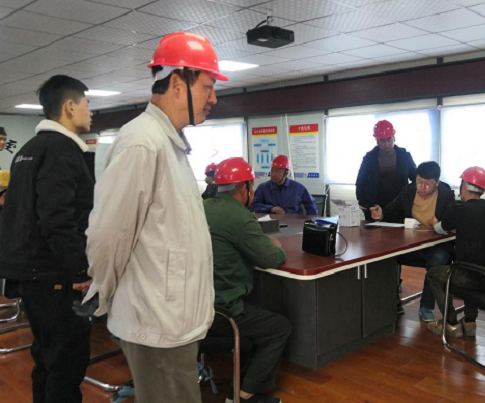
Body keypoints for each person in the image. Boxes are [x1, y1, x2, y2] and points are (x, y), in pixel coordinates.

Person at [79, 32, 227, 403]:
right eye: (208, 87)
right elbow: (108, 235)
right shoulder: (142, 143)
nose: (214, 98)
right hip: (157, 324)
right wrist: (104, 294)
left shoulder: (168, 144)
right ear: (177, 84)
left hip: (171, 321)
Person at [0, 75, 94, 403]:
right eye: (87, 104)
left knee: (46, 358)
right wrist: (80, 270)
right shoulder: (62, 150)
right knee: (66, 364)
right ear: (69, 107)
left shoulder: (28, 149)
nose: (90, 112)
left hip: (32, 275)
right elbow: (56, 220)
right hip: (55, 276)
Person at [204, 157, 290, 403]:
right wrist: (274, 246)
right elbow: (271, 258)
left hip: (196, 304)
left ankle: (239, 385)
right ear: (244, 188)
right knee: (279, 328)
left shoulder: (202, 207)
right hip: (223, 310)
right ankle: (244, 395)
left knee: (255, 326)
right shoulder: (239, 216)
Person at [426, 167, 485, 337]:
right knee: (471, 265)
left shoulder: (459, 210)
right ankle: (469, 322)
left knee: (435, 274)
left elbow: (439, 229)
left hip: (470, 278)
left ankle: (451, 323)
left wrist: (434, 222)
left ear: (464, 186)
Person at [369, 161, 455, 322]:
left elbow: (451, 221)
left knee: (438, 259)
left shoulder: (446, 194)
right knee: (388, 255)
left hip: (436, 244)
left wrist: (438, 223)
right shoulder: (408, 191)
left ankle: (426, 306)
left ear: (437, 182)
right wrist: (381, 214)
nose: (422, 187)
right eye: (419, 182)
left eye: (428, 184)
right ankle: (392, 301)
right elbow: (393, 209)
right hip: (411, 243)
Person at [356, 120, 416, 221]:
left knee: (399, 231)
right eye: (382, 141)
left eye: (389, 139)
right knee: (376, 231)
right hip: (376, 206)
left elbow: (416, 179)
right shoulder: (369, 158)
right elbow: (360, 182)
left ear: (394, 138)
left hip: (399, 206)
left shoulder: (404, 156)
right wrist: (366, 205)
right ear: (377, 141)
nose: (387, 144)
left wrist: (411, 200)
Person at [251, 154, 317, 215]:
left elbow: (311, 206)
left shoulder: (298, 188)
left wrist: (310, 221)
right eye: (272, 170)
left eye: (277, 171)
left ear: (285, 174)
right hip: (272, 222)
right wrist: (270, 208)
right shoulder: (263, 188)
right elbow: (253, 205)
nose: (274, 174)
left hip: (293, 222)